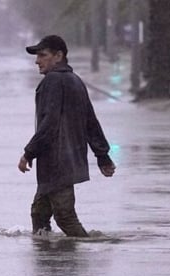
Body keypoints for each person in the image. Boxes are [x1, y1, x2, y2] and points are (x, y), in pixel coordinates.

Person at [17, 35, 116, 237]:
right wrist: (102, 156)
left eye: (42, 55)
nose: (37, 61)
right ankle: (49, 259)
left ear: (58, 56)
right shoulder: (75, 81)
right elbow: (91, 122)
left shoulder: (53, 81)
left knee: (64, 216)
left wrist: (28, 153)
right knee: (39, 213)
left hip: (57, 162)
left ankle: (77, 260)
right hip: (69, 160)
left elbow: (49, 124)